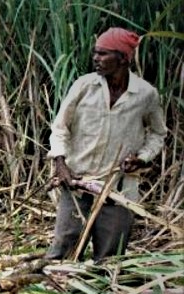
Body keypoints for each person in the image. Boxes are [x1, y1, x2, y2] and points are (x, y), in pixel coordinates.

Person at [45, 27, 167, 262]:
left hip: (117, 189)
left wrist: (142, 158)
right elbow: (60, 127)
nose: (96, 59)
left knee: (109, 260)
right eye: (95, 53)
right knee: (62, 253)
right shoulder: (84, 86)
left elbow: (158, 134)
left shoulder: (145, 94)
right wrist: (60, 163)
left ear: (122, 58)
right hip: (77, 182)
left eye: (103, 54)